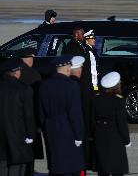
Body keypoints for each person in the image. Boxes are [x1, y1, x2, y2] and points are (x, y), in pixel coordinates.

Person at [38, 56, 85, 175]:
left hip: (50, 126)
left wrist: (45, 127)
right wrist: (78, 135)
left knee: (55, 163)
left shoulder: (44, 85)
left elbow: (40, 111)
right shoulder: (71, 86)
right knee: (70, 165)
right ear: (68, 68)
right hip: (67, 128)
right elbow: (75, 114)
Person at [0, 58, 35, 176]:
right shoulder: (24, 89)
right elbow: (28, 115)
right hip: (19, 137)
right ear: (16, 72)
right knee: (17, 169)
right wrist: (30, 135)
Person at [92, 72, 131, 176]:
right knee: (117, 168)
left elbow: (92, 118)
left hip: (100, 135)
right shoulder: (118, 100)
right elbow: (121, 122)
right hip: (115, 137)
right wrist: (126, 140)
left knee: (103, 168)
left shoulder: (96, 98)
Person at [18, 48, 44, 176]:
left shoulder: (13, 73)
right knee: (30, 155)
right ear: (29, 59)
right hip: (31, 120)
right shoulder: (34, 75)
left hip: (14, 121)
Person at [70, 56, 95, 173]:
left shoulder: (63, 84)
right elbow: (89, 110)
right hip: (81, 128)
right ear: (80, 69)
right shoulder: (85, 86)